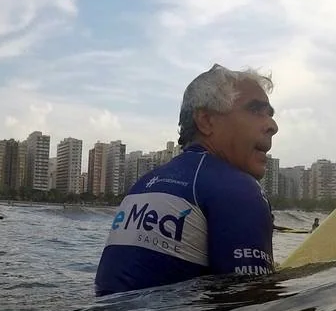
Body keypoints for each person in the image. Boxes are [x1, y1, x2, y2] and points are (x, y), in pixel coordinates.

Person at [94, 63, 279, 296]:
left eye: (270, 115)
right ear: (206, 121)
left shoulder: (143, 185)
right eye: (256, 111)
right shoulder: (239, 190)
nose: (273, 126)